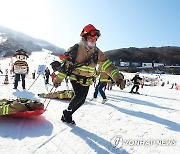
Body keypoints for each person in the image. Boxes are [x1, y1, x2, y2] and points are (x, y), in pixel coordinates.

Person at [53, 24, 125, 124]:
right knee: (79, 96)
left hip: (87, 80)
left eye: (95, 39)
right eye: (91, 39)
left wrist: (118, 78)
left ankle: (67, 113)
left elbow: (107, 65)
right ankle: (67, 113)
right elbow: (65, 67)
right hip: (75, 77)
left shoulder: (97, 52)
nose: (93, 41)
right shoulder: (75, 49)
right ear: (84, 37)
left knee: (82, 100)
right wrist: (58, 80)